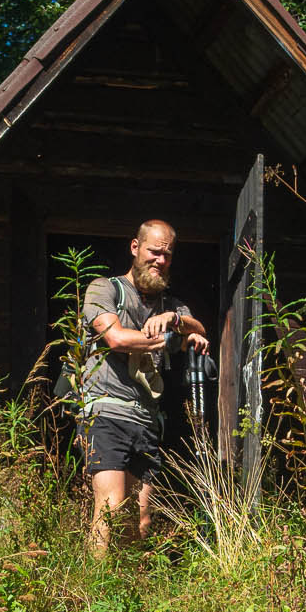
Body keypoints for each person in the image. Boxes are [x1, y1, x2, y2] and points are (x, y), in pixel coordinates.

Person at [78, 220, 211, 556]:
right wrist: (170, 340)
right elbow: (116, 338)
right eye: (154, 251)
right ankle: (93, 596)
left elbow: (199, 327)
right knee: (110, 508)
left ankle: (130, 593)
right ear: (135, 248)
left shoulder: (169, 304)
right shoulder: (104, 289)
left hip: (145, 420)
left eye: (167, 254)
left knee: (140, 521)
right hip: (106, 410)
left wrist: (176, 322)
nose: (160, 260)